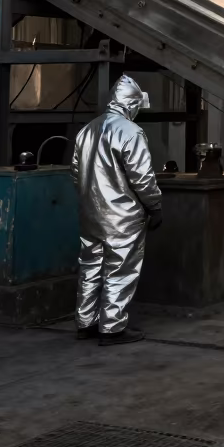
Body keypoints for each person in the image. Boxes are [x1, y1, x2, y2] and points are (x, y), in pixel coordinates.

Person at [71, 75, 162, 344]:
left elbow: (76, 173)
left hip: (91, 214)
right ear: (130, 104)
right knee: (120, 269)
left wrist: (90, 201)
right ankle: (112, 328)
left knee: (90, 266)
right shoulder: (130, 131)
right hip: (122, 217)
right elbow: (142, 177)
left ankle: (85, 322)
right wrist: (155, 206)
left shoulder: (86, 130)